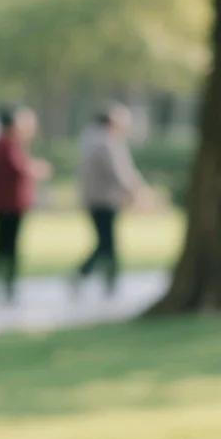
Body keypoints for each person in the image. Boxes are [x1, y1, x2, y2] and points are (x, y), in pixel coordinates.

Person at [0, 106, 48, 303]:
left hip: (8, 205)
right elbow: (20, 169)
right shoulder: (6, 145)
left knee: (4, 246)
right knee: (6, 247)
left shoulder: (6, 145)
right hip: (9, 206)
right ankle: (4, 283)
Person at [73, 104, 145, 297]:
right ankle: (102, 279)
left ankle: (103, 279)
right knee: (107, 243)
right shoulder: (106, 142)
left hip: (98, 199)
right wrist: (136, 191)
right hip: (104, 200)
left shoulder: (94, 139)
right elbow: (120, 173)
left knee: (106, 242)